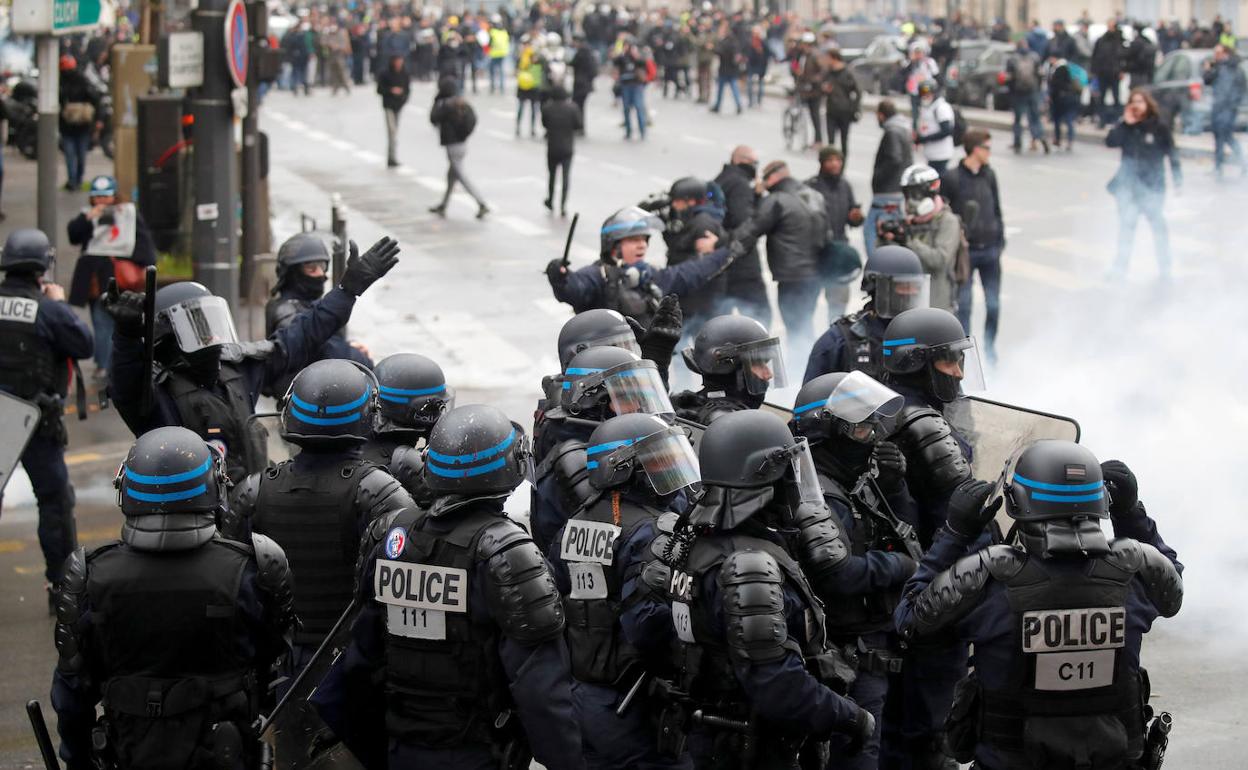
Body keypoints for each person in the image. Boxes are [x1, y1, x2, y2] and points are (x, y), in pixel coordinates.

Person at [312, 404, 584, 770]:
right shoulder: (507, 551)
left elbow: (362, 657)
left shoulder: (391, 534)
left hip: (399, 746)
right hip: (476, 750)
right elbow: (539, 686)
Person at [894, 443, 1183, 770]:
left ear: (1018, 502)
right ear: (1100, 502)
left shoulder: (990, 576)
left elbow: (909, 620)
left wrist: (955, 532)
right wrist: (1131, 514)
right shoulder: (1133, 570)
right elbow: (1172, 585)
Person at [636, 410, 875, 769]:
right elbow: (778, 686)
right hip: (752, 748)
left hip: (715, 738)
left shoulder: (702, 542)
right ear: (766, 477)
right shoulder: (748, 563)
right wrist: (852, 718)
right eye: (789, 471)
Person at [51, 426, 296, 770]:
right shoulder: (256, 567)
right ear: (213, 486)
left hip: (129, 753)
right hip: (226, 752)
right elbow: (276, 668)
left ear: (127, 490)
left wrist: (78, 758)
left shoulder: (89, 574)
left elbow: (72, 694)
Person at [103, 238, 400, 483]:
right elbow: (126, 387)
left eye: (210, 322)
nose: (210, 339)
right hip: (199, 521)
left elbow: (302, 334)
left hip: (257, 507)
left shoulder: (237, 369)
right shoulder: (158, 396)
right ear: (166, 337)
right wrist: (127, 338)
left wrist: (347, 291)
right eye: (196, 328)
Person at [223, 359, 412, 667]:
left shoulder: (253, 491)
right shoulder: (378, 490)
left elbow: (231, 585)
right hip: (354, 664)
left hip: (278, 664)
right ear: (369, 414)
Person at [547, 412, 701, 768]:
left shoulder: (573, 525)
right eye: (658, 461)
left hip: (580, 695)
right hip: (635, 704)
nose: (669, 469)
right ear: (624, 468)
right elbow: (648, 624)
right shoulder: (648, 531)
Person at [789, 371, 919, 769]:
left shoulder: (846, 483)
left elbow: (903, 531)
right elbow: (838, 574)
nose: (874, 437)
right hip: (849, 658)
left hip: (865, 651)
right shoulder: (821, 495)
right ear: (828, 430)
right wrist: (899, 565)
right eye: (862, 428)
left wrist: (895, 486)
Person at [878, 306, 982, 770]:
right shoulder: (927, 427)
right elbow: (965, 519)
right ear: (916, 362)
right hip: (936, 592)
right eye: (948, 361)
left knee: (894, 726)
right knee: (931, 734)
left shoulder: (873, 410)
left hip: (884, 594)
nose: (958, 373)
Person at [0, 229, 93, 608]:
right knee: (54, 501)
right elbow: (84, 344)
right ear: (42, 267)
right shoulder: (47, 309)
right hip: (36, 421)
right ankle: (61, 585)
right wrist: (61, 303)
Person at [547, 206, 732, 326]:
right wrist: (561, 278)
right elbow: (574, 288)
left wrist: (727, 251)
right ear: (613, 245)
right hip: (606, 370)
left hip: (646, 371)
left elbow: (689, 273)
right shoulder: (597, 275)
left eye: (644, 240)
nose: (642, 245)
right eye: (634, 240)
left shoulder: (648, 275)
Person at [66, 175, 157, 384]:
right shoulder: (89, 216)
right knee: (101, 322)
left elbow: (145, 249)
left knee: (107, 322)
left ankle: (106, 365)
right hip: (92, 280)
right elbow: (73, 235)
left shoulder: (128, 215)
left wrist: (121, 257)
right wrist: (88, 218)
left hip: (116, 278)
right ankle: (105, 364)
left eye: (105, 197)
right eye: (97, 197)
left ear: (114, 197)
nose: (101, 202)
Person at [734, 160, 824, 363]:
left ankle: (802, 369)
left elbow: (751, 229)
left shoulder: (776, 200)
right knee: (804, 323)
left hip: (792, 276)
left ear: (773, 177)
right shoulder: (814, 195)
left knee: (796, 328)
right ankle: (808, 364)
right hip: (816, 273)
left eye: (764, 179)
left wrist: (724, 248)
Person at [265, 233, 373, 397]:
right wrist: (357, 356)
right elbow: (314, 345)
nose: (320, 274)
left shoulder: (305, 302)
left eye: (322, 266)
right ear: (292, 272)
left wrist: (350, 346)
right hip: (307, 401)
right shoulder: (285, 311)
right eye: (311, 268)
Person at [803, 244, 928, 384]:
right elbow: (809, 401)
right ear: (876, 288)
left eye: (916, 287)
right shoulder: (838, 342)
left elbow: (951, 400)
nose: (912, 293)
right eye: (904, 286)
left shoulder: (928, 338)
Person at [941, 129, 1004, 363]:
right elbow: (944, 215)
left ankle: (989, 349)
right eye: (987, 148)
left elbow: (997, 209)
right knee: (964, 307)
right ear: (976, 149)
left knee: (994, 304)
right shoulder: (952, 178)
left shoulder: (989, 175)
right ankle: (964, 355)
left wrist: (999, 240)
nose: (989, 153)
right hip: (966, 253)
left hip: (990, 250)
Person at [1106, 88, 1180, 280]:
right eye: (1133, 102)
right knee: (1126, 228)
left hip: (1152, 187)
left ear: (1148, 105)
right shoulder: (1126, 127)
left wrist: (1178, 181)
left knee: (1158, 228)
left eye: (1140, 102)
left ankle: (1165, 269)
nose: (1137, 106)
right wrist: (1125, 122)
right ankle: (1119, 269)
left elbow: (1172, 154)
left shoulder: (1158, 127)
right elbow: (1111, 141)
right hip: (1128, 188)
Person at [671, 314, 788, 424]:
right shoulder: (729, 423)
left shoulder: (684, 406)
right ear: (725, 365)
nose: (769, 374)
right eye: (758, 364)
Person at [712, 146, 771, 327]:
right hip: (743, 264)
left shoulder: (721, 180)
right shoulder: (740, 184)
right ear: (742, 161)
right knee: (760, 319)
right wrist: (759, 200)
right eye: (754, 163)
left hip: (720, 262)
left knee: (723, 323)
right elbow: (744, 222)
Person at [662, 177, 730, 329]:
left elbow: (705, 264)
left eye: (677, 201)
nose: (673, 205)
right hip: (692, 298)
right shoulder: (691, 219)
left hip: (699, 302)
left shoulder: (703, 224)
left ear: (690, 201)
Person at [891, 165, 960, 313]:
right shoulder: (908, 220)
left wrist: (909, 242)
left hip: (935, 305)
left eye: (915, 194)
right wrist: (888, 238)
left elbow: (939, 259)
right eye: (907, 194)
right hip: (906, 302)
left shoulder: (948, 221)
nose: (910, 201)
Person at [806, 146, 863, 320]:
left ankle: (835, 340)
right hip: (814, 252)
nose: (835, 164)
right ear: (822, 163)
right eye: (830, 160)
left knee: (838, 305)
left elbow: (853, 216)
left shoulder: (845, 186)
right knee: (808, 303)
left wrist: (856, 217)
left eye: (838, 160)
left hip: (838, 252)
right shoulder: (809, 187)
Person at [429, 76, 489, 219]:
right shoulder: (462, 103)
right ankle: (443, 205)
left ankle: (481, 203)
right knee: (451, 177)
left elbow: (433, 118)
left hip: (452, 146)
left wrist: (437, 100)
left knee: (461, 176)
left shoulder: (444, 104)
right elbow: (473, 120)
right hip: (462, 144)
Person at [867, 100, 914, 261]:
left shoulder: (892, 132)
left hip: (887, 191)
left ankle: (877, 266)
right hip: (897, 189)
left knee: (872, 231)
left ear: (881, 115)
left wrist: (879, 177)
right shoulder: (903, 128)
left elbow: (894, 159)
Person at [1204, 43, 1248, 179]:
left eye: (1218, 53)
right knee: (1220, 137)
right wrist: (1207, 69)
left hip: (1229, 108)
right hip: (1217, 106)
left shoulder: (1235, 68)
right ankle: (1221, 166)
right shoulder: (1217, 67)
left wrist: (1234, 104)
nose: (1215, 56)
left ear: (1225, 53)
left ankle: (1228, 165)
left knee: (1225, 136)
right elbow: (1207, 81)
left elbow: (1241, 88)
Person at [58, 55, 99, 191]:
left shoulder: (83, 82)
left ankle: (78, 180)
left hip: (82, 127)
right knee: (71, 155)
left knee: (80, 156)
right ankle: (73, 181)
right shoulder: (60, 84)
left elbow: (95, 99)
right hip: (67, 127)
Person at [541, 85, 582, 217]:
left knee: (552, 177)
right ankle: (563, 205)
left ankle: (551, 200)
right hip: (567, 148)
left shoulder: (547, 108)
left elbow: (544, 123)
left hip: (552, 147)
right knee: (565, 178)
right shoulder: (572, 108)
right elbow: (578, 125)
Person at [1005, 39, 1048, 154]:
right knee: (1034, 117)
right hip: (1032, 92)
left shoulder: (1012, 59)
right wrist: (1037, 90)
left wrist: (1011, 91)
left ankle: (1017, 142)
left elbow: (1008, 78)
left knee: (1018, 119)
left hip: (1018, 93)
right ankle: (1039, 136)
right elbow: (1040, 75)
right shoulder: (1035, 57)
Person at [822, 49, 861, 157]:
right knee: (831, 141)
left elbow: (857, 91)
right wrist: (824, 89)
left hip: (844, 111)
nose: (826, 60)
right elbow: (822, 85)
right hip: (831, 109)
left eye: (828, 58)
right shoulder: (828, 73)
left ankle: (841, 166)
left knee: (844, 140)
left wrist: (853, 108)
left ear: (834, 58)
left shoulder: (847, 73)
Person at [377, 54, 411, 168]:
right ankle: (392, 157)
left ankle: (392, 156)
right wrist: (391, 90)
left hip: (399, 105)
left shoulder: (404, 74)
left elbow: (407, 90)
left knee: (395, 131)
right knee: (392, 132)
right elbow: (379, 89)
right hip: (389, 105)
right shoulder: (385, 74)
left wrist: (403, 99)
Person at [914, 80, 956, 174]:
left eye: (928, 94)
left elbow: (947, 131)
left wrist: (924, 139)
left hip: (940, 154)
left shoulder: (941, 107)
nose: (925, 97)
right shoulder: (928, 107)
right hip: (931, 154)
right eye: (923, 94)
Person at [1091, 19, 1125, 126]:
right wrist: (1095, 71)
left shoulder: (1120, 40)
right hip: (1103, 73)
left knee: (1116, 97)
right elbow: (1095, 57)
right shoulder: (1101, 40)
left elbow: (1123, 57)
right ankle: (1102, 120)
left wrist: (1121, 70)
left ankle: (1116, 119)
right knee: (1102, 97)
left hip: (1115, 73)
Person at [615, 38, 650, 140]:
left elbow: (644, 64)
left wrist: (635, 55)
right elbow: (615, 61)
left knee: (639, 107)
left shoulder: (637, 57)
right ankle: (628, 131)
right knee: (626, 108)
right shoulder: (622, 57)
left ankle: (642, 130)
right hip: (626, 84)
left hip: (636, 84)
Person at [1048, 55, 1082, 150]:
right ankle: (1070, 140)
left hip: (1060, 99)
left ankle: (1058, 139)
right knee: (1069, 120)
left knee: (1058, 120)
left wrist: (1051, 97)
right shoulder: (1071, 68)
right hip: (1072, 98)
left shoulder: (1058, 69)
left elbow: (1055, 86)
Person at [710, 20, 743, 114]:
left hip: (726, 68)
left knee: (724, 88)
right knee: (731, 87)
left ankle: (719, 105)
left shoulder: (727, 41)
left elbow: (721, 51)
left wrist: (713, 48)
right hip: (729, 68)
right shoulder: (733, 40)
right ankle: (737, 104)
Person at [570, 35, 598, 134]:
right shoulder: (588, 52)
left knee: (578, 106)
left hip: (581, 84)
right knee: (580, 106)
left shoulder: (582, 53)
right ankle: (580, 127)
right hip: (585, 84)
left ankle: (578, 127)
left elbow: (572, 63)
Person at [1125, 24, 1158, 89]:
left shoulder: (1137, 43)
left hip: (1137, 72)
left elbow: (1129, 56)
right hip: (1145, 73)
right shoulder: (1149, 44)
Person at [488, 18, 511, 93]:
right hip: (503, 53)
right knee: (501, 71)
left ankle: (493, 86)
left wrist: (486, 52)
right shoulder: (504, 32)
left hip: (494, 54)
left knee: (492, 71)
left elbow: (489, 43)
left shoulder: (492, 32)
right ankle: (502, 87)